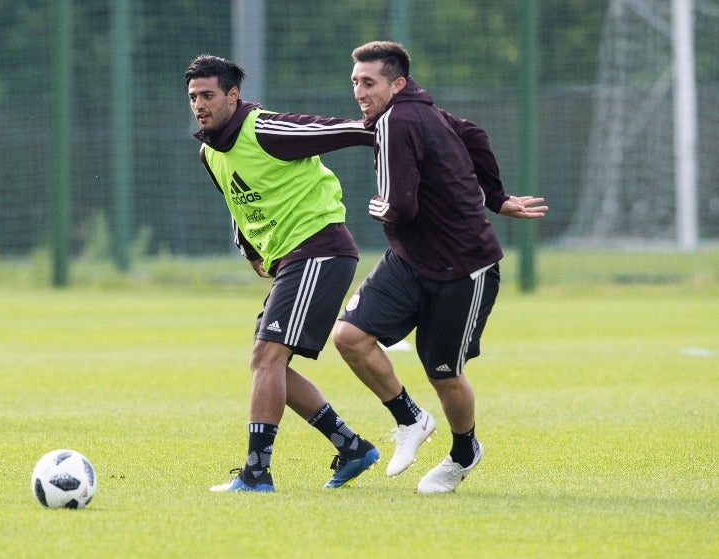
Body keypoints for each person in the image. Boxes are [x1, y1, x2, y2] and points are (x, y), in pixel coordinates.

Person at [333, 41, 548, 494]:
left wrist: (383, 209)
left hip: (463, 268)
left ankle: (464, 451)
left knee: (443, 373)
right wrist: (497, 197)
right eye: (355, 81)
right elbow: (472, 132)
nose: (359, 91)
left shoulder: (398, 118)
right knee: (349, 336)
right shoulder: (419, 110)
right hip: (410, 260)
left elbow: (403, 206)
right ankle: (411, 419)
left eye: (368, 82)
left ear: (398, 83)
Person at [184, 54, 379, 492]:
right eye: (194, 96)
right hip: (293, 259)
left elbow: (331, 129)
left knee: (266, 360)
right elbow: (238, 198)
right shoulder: (209, 151)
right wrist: (251, 247)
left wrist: (383, 129)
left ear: (233, 95)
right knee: (271, 366)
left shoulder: (264, 128)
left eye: (209, 95)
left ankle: (256, 474)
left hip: (319, 249)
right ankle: (351, 447)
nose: (199, 104)